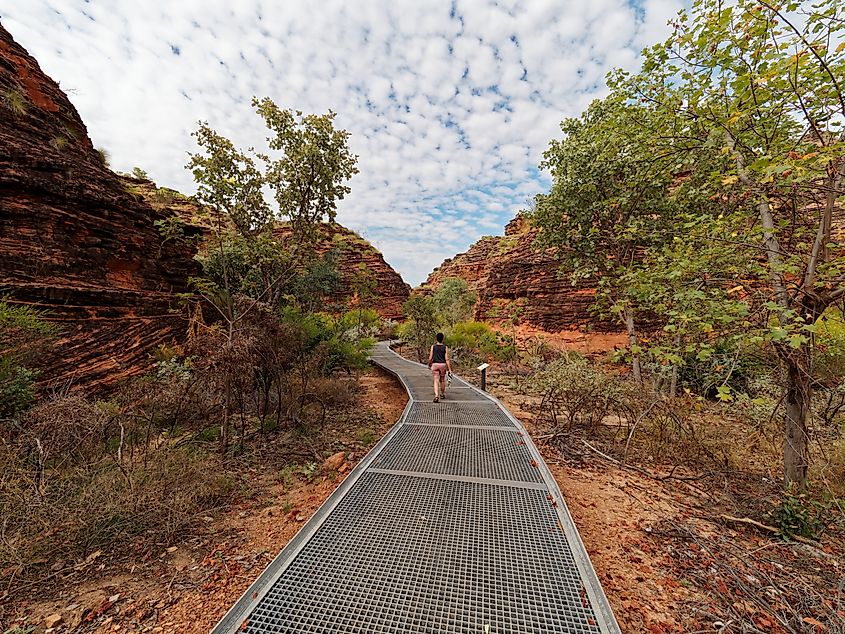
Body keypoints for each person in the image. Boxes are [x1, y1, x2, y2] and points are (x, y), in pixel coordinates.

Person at [428, 332, 452, 402]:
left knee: (436, 380)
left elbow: (430, 357)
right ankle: (442, 394)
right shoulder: (445, 347)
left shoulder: (433, 347)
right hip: (443, 365)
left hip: (435, 365)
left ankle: (436, 396)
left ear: (436, 339)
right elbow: (447, 359)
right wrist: (449, 369)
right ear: (443, 339)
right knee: (442, 380)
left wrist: (429, 364)